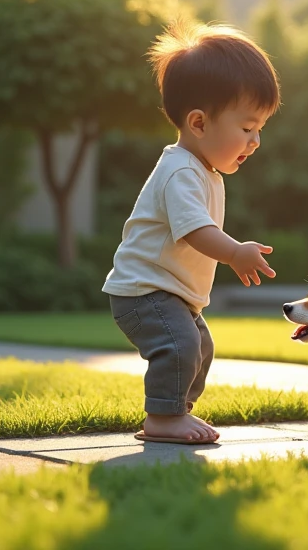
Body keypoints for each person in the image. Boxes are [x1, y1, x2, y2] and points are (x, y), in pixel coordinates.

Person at [102, 22, 280, 444]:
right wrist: (235, 252)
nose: (255, 141)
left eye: (260, 130)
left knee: (200, 348)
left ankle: (176, 412)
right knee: (182, 345)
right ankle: (163, 419)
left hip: (169, 293)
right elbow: (196, 230)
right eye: (247, 128)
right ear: (199, 123)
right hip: (143, 292)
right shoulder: (180, 170)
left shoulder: (202, 169)